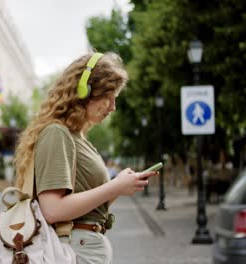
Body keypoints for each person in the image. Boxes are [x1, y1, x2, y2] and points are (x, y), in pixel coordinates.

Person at [13, 51, 158, 264]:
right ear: (84, 91)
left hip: (82, 248)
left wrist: (121, 185)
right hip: (74, 250)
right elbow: (53, 210)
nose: (112, 107)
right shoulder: (57, 133)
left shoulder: (76, 136)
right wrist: (115, 186)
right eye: (108, 98)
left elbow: (88, 207)